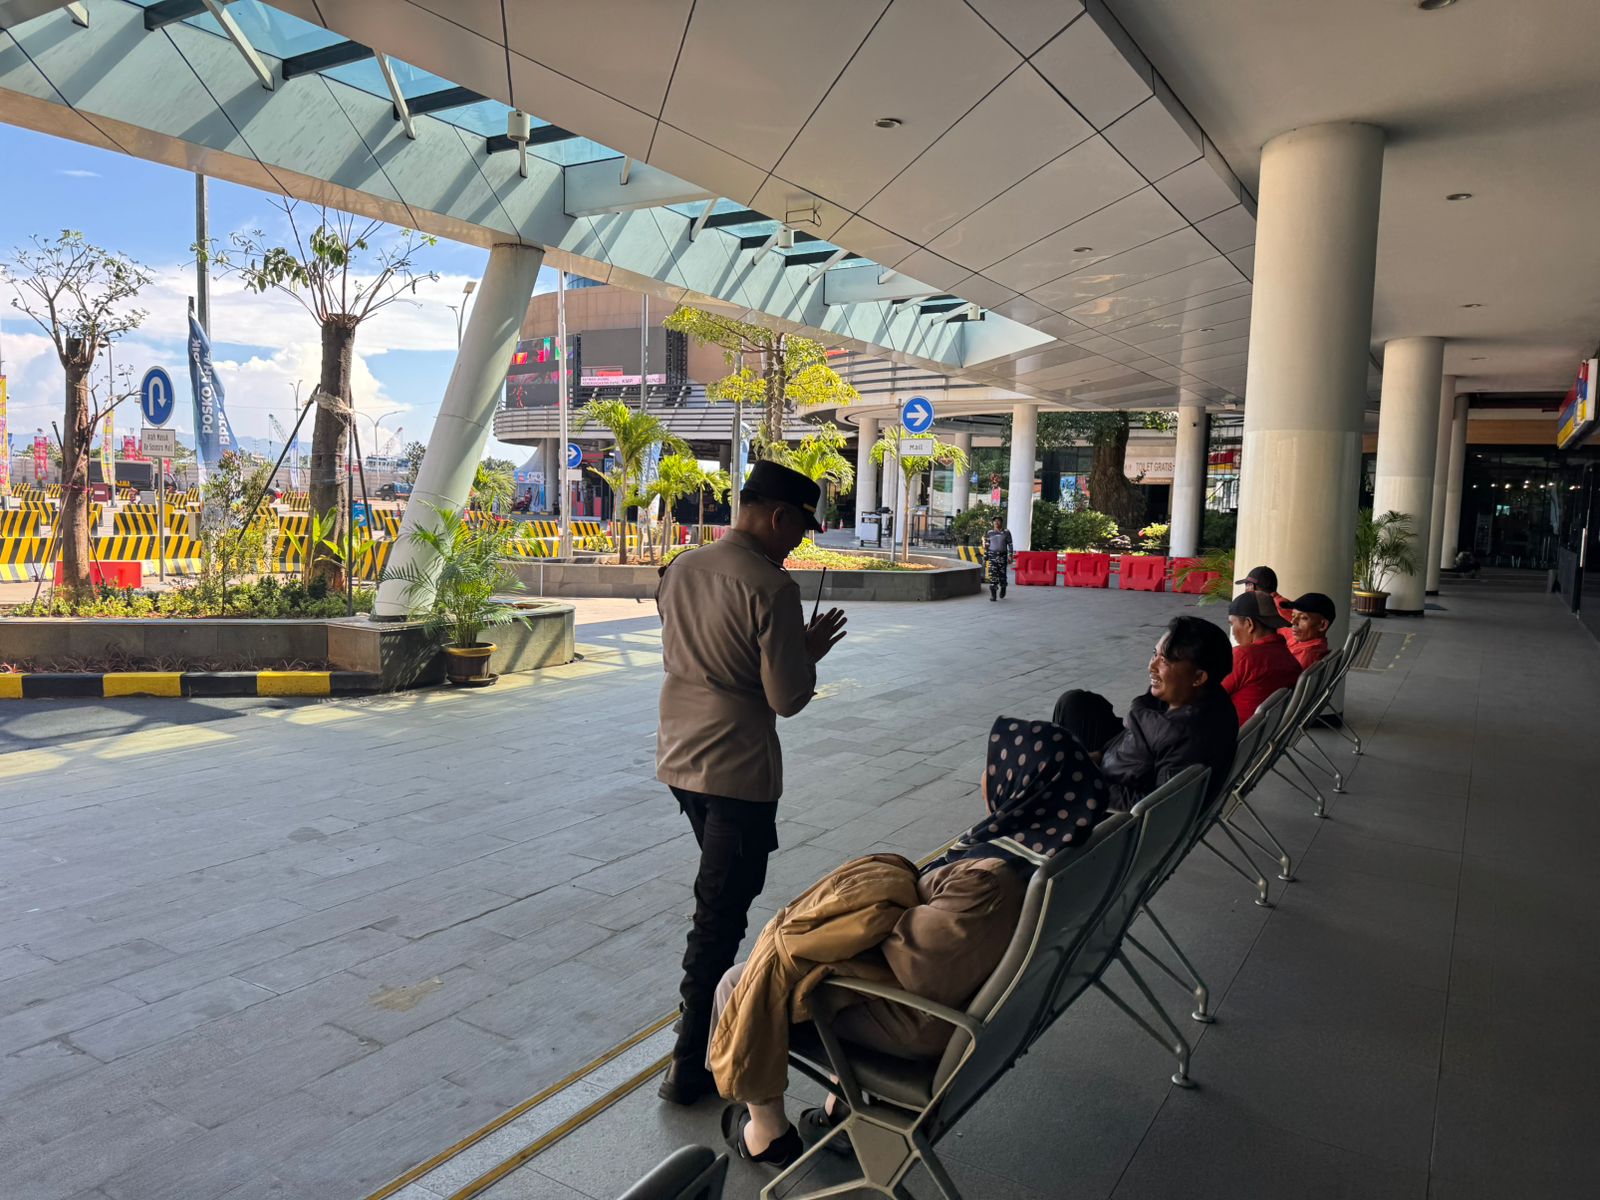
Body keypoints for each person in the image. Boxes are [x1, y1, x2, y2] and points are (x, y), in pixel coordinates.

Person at [711, 717, 1113, 1166]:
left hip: (926, 1021)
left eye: (994, 767)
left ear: (1023, 785)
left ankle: (768, 1135)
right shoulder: (1050, 853)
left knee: (739, 983)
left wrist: (873, 915)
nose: (984, 778)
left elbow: (917, 967)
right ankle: (840, 1109)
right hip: (975, 1004)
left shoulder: (990, 880)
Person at [654, 460, 849, 1106]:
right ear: (776, 516)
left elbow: (705, 654)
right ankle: (690, 1065)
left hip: (680, 759)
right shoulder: (771, 587)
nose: (798, 543)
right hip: (737, 771)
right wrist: (806, 655)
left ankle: (696, 1036)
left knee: (719, 902)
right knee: (718, 918)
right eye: (798, 530)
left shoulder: (681, 569)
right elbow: (785, 698)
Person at [1052, 615, 1238, 810]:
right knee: (1076, 703)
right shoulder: (1204, 696)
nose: (1151, 666)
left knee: (1048, 761)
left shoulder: (1186, 738)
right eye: (1154, 654)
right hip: (1125, 760)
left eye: (1164, 661)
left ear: (1198, 677)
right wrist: (1099, 754)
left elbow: (1156, 808)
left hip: (1112, 798)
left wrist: (1085, 780)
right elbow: (1135, 734)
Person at [1223, 590, 1302, 723]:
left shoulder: (1243, 656)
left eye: (1232, 623)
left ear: (1249, 624)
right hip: (1265, 732)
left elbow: (1201, 695)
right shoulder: (1289, 658)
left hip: (1232, 732)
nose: (1233, 632)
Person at [1282, 592, 1336, 669]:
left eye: (1303, 618)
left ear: (1322, 625)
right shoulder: (1305, 642)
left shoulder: (1306, 656)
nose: (1293, 622)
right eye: (1293, 616)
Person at [984, 517, 1013, 601]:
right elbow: (987, 545)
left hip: (1002, 556)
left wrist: (1010, 555)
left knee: (1002, 575)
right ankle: (993, 595)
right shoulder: (990, 533)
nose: (996, 522)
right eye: (995, 521)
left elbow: (1010, 544)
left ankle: (1003, 588)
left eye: (998, 521)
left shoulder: (1006, 532)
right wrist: (985, 556)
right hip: (992, 556)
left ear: (1001, 522)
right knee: (993, 576)